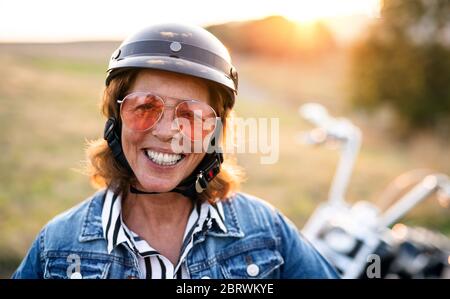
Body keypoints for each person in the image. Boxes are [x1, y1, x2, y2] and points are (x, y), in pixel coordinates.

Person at [12, 23, 338, 279]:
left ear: (216, 132)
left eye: (192, 116)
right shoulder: (56, 247)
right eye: (145, 107)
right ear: (115, 120)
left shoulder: (267, 232)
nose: (167, 132)